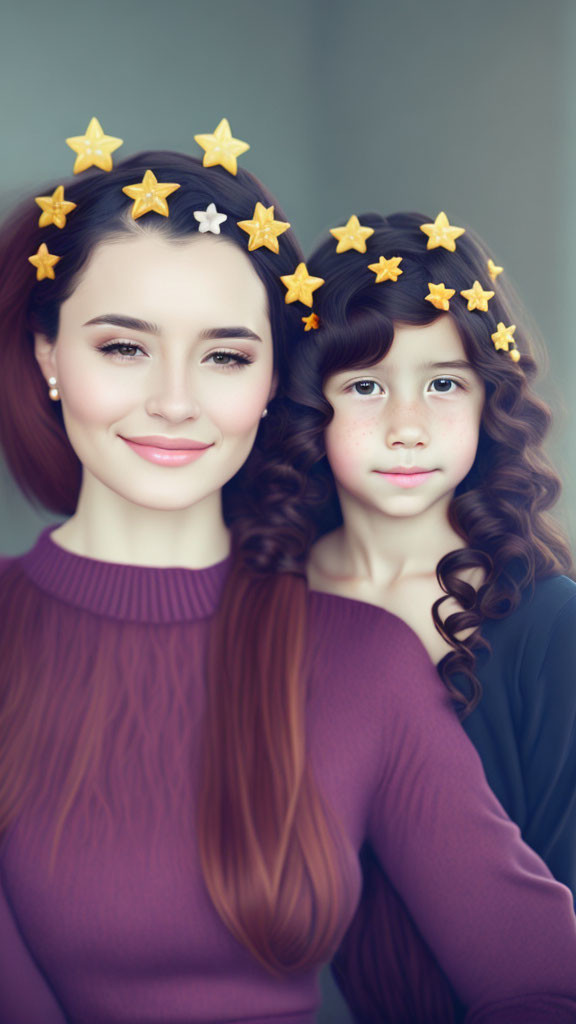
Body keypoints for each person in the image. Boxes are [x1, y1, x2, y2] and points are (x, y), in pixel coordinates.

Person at [0, 136, 576, 1024]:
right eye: (124, 347)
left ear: (274, 377)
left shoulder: (362, 658)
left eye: (226, 355)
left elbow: (543, 978)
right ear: (46, 356)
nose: (177, 401)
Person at [287, 209, 576, 1022]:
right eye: (366, 386)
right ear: (312, 402)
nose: (407, 427)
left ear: (490, 398)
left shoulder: (547, 626)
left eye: (443, 382)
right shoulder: (253, 602)